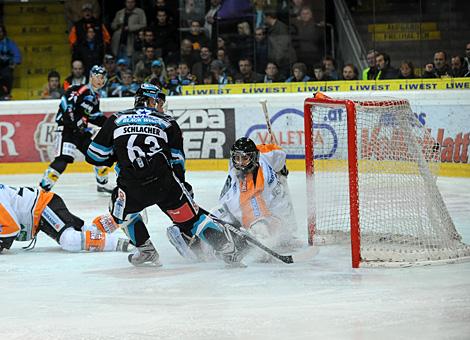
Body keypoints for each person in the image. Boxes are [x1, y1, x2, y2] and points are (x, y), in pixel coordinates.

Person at [85, 83, 247, 267]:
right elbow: (177, 161)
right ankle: (228, 249)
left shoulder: (115, 119)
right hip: (165, 185)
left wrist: (117, 154)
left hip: (132, 187)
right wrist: (183, 187)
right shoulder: (168, 122)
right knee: (192, 220)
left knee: (120, 210)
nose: (161, 107)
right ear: (151, 100)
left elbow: (94, 156)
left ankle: (146, 250)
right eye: (159, 102)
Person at [39, 65, 113, 194]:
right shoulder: (78, 89)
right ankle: (42, 190)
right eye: (99, 77)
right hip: (67, 130)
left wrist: (112, 125)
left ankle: (102, 185)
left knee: (99, 156)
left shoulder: (95, 97)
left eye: (104, 78)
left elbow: (95, 117)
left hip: (80, 133)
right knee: (62, 161)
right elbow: (67, 107)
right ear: (91, 77)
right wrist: (76, 123)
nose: (102, 80)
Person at [0, 184, 131, 254]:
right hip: (41, 210)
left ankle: (128, 244)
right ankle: (125, 216)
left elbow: (12, 229)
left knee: (70, 240)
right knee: (89, 231)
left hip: (43, 206)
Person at [0, 24, 21, 99]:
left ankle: (6, 94)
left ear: (4, 33)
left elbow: (17, 54)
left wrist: (14, 63)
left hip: (6, 66)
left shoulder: (9, 43)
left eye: (0, 32)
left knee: (7, 75)